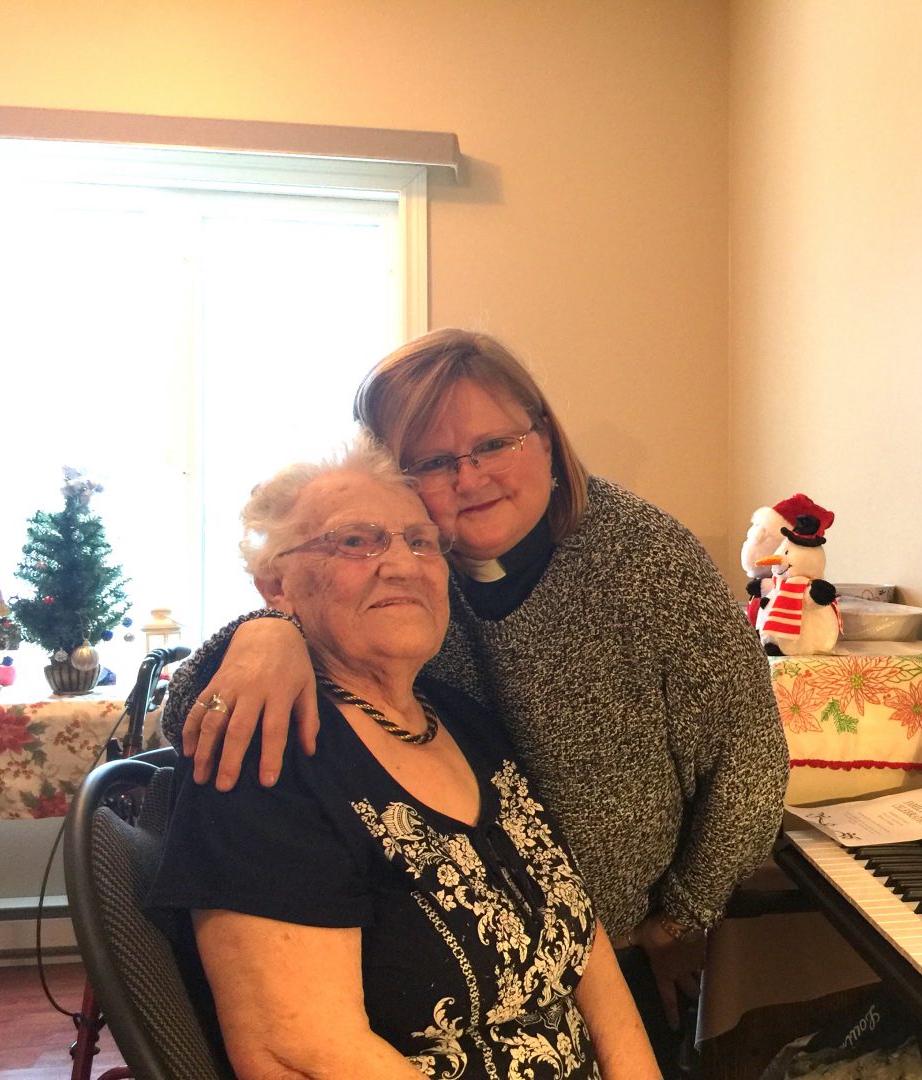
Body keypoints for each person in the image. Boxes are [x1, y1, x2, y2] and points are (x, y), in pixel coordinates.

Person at [162, 328, 789, 1068]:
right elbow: (210, 710)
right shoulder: (417, 569)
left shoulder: (642, 557)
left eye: (495, 445)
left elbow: (748, 758)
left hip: (612, 941)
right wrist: (266, 633)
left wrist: (680, 919)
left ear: (548, 440)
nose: (470, 476)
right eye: (431, 461)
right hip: (438, 968)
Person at [148, 434, 659, 1079]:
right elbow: (299, 1053)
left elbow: (584, 948)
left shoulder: (467, 721)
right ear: (275, 583)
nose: (402, 563)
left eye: (421, 541)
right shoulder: (269, 749)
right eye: (355, 541)